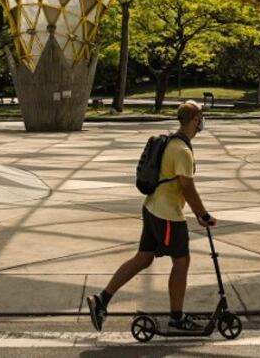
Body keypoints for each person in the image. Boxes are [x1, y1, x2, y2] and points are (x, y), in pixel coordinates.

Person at [86, 100, 217, 332]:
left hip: (152, 208)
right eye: (201, 118)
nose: (203, 122)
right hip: (168, 215)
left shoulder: (170, 142)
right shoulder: (183, 151)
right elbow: (187, 187)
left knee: (144, 258)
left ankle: (102, 300)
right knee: (181, 262)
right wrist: (202, 214)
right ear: (196, 120)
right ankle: (177, 318)